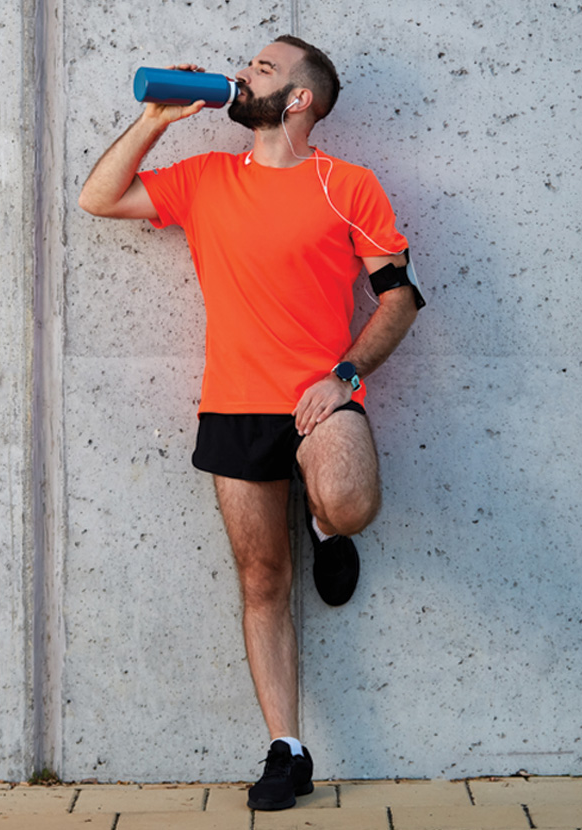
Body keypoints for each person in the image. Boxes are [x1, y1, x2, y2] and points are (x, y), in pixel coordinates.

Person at [78, 34, 425, 811]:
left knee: (349, 502)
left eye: (264, 68)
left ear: (300, 100)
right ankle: (288, 749)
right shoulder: (204, 179)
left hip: (320, 396)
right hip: (233, 404)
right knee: (262, 579)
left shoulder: (349, 185)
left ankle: (328, 529)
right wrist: (156, 121)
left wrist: (346, 376)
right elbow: (98, 198)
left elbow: (399, 297)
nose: (243, 74)